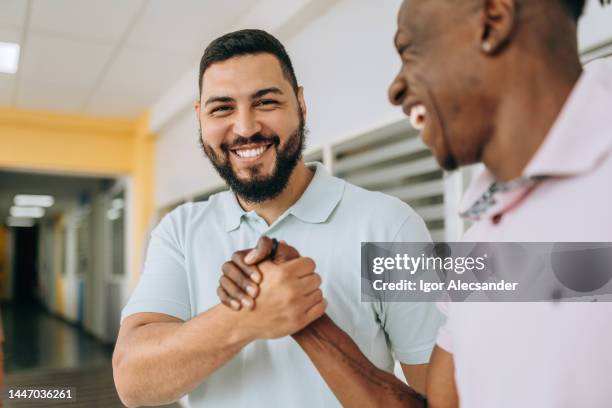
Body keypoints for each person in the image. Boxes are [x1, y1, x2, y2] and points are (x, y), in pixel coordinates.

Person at [219, 0, 612, 406]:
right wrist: (303, 317)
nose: (395, 89)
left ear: (493, 20)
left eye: (409, 51)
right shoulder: (487, 233)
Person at [112, 29, 441, 408]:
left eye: (265, 102)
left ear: (300, 103)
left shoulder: (392, 225)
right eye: (223, 108)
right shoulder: (179, 231)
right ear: (200, 117)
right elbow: (131, 382)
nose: (246, 127)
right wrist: (244, 318)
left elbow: (439, 397)